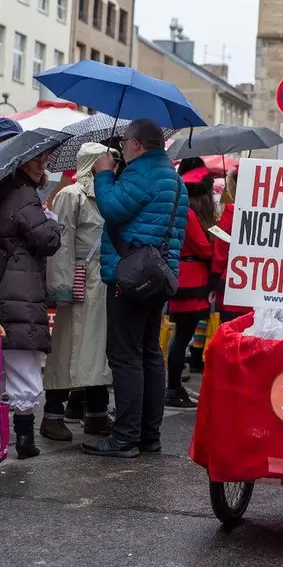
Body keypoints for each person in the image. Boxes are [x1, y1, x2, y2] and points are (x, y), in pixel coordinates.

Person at [82, 119, 188, 459]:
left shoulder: (142, 173)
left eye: (125, 142)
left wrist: (104, 173)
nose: (123, 148)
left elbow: (112, 208)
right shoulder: (175, 179)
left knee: (125, 356)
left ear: (137, 144)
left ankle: (125, 437)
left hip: (129, 278)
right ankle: (148, 435)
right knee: (149, 354)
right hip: (158, 277)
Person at [40, 144, 116, 441]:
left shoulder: (107, 196)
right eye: (108, 158)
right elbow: (62, 244)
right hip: (79, 283)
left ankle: (96, 413)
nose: (113, 163)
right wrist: (62, 286)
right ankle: (52, 414)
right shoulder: (71, 195)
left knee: (97, 351)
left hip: (102, 282)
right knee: (68, 348)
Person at [0, 151, 61, 458]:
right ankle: (24, 439)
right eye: (35, 159)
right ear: (18, 161)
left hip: (6, 285)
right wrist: (51, 220)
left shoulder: (5, 190)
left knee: (4, 362)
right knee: (23, 362)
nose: (41, 165)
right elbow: (47, 240)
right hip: (19, 289)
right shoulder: (23, 193)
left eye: (44, 159)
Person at [166, 165, 215, 408]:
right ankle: (172, 389)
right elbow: (204, 249)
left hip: (186, 277)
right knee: (182, 336)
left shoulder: (183, 211)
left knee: (181, 335)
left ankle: (173, 387)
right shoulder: (191, 215)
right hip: (191, 280)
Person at [211, 167, 251, 323]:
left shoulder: (230, 212)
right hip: (256, 290)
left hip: (232, 283)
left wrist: (214, 281)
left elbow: (221, 252)